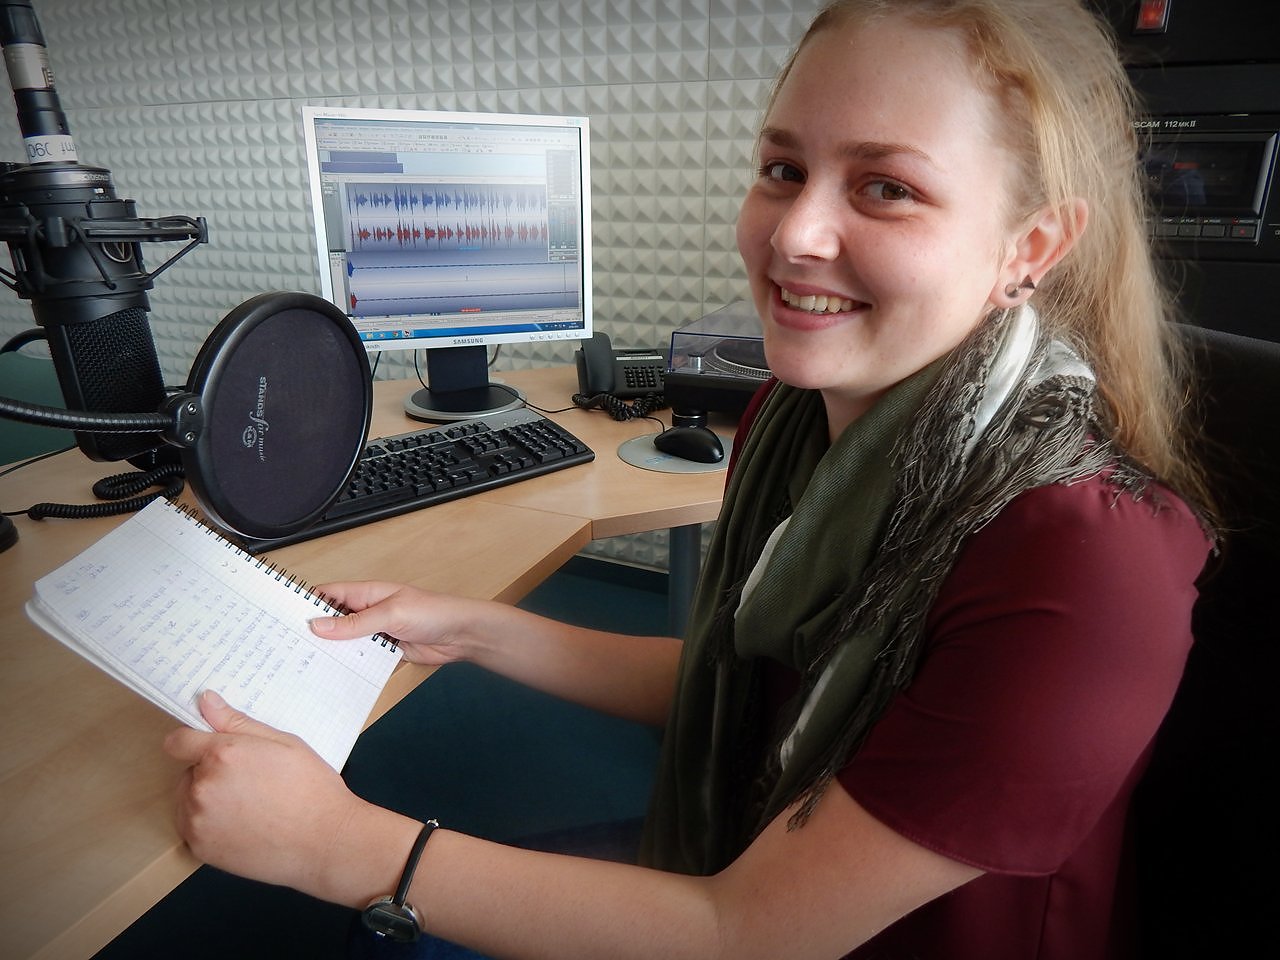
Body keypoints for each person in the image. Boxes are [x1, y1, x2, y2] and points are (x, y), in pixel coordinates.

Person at [164, 1, 1215, 957]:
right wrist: (473, 630)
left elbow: (750, 934)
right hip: (748, 853)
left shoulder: (1085, 564)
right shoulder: (792, 420)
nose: (793, 234)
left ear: (1031, 245)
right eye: (782, 168)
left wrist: (336, 847)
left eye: (886, 188)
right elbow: (739, 687)